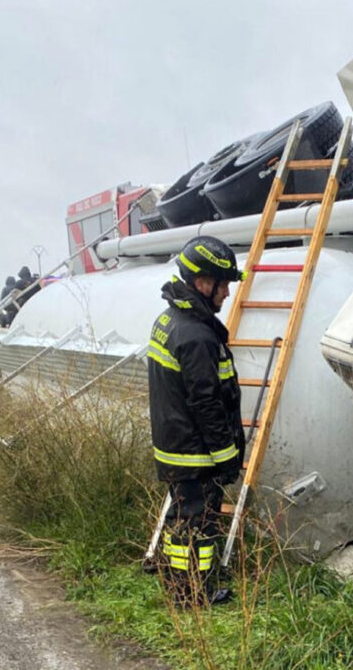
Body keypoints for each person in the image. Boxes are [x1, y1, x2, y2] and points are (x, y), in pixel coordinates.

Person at [148, 236, 246, 607]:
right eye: (222, 285)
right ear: (202, 282)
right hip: (196, 456)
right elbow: (206, 403)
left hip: (176, 449)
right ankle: (194, 595)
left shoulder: (171, 319)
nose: (226, 293)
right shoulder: (196, 336)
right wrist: (227, 458)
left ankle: (181, 588)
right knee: (200, 530)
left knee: (182, 524)